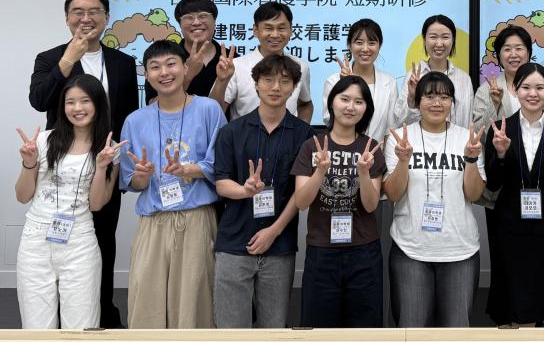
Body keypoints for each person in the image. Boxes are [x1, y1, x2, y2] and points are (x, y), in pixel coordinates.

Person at [28, 0, 138, 328]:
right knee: (57, 246)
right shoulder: (50, 58)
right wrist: (68, 59)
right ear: (67, 18)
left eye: (94, 12)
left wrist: (118, 167)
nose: (86, 18)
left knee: (102, 243)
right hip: (63, 166)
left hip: (104, 165)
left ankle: (101, 315)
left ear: (106, 18)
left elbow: (127, 118)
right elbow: (39, 100)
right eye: (78, 12)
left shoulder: (123, 63)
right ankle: (54, 318)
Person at [119, 40, 227, 328]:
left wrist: (189, 169)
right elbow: (132, 181)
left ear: (185, 67)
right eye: (155, 67)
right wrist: (142, 175)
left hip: (196, 219)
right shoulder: (134, 121)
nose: (164, 72)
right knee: (146, 302)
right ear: (146, 75)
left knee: (194, 302)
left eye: (171, 64)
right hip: (153, 222)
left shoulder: (208, 110)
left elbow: (223, 164)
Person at [16, 75, 125, 329]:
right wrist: (29, 163)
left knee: (81, 327)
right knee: (36, 328)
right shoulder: (44, 141)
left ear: (98, 103)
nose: (77, 108)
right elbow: (22, 196)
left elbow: (96, 204)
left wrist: (101, 167)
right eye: (70, 102)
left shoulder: (110, 148)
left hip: (80, 242)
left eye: (85, 101)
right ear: (62, 107)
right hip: (35, 240)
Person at [212, 54, 313, 328]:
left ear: (294, 88)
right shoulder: (232, 131)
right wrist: (244, 191)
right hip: (234, 243)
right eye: (268, 80)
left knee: (273, 328)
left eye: (284, 81)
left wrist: (274, 231)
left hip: (279, 246)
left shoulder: (304, 135)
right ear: (255, 84)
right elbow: (221, 183)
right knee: (231, 330)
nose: (276, 87)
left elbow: (300, 194)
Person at [383, 72, 486, 327]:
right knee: (411, 329)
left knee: (457, 330)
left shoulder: (467, 138)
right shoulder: (400, 138)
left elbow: (474, 194)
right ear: (417, 101)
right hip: (411, 249)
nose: (437, 103)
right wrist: (403, 161)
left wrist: (471, 159)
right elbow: (393, 194)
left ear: (453, 102)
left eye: (444, 97)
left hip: (459, 249)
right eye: (429, 96)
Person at [485, 63, 544, 327]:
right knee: (518, 311)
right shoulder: (500, 129)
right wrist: (501, 154)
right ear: (515, 90)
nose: (533, 94)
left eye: (540, 87)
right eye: (526, 87)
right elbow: (492, 184)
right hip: (512, 231)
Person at [291, 75, 386, 327]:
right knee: (319, 328)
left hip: (363, 252)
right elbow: (301, 202)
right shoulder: (312, 147)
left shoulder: (371, 149)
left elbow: (371, 205)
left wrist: (363, 172)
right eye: (344, 99)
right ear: (332, 102)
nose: (350, 107)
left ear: (366, 109)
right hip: (322, 250)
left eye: (359, 102)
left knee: (364, 329)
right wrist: (320, 171)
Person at [210, 1, 312, 121]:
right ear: (255, 30)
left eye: (281, 28)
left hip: (287, 132)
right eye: (268, 28)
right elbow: (213, 112)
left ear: (290, 30)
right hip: (245, 132)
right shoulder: (236, 66)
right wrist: (221, 81)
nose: (275, 34)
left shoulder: (300, 66)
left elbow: (305, 104)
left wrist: (303, 130)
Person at [145, 0, 236, 104]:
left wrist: (222, 81)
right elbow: (153, 106)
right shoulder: (162, 58)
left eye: (203, 16)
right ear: (179, 24)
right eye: (189, 17)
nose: (196, 22)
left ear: (214, 20)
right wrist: (187, 75)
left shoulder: (233, 60)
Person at [322, 18, 397, 142]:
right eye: (359, 42)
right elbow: (329, 120)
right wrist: (346, 85)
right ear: (349, 45)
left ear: (380, 46)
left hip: (376, 152)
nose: (365, 49)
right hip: (343, 150)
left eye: (372, 43)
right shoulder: (334, 81)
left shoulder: (389, 82)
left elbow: (391, 127)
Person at [472, 25, 544, 130]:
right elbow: (478, 133)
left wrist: (543, 102)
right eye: (507, 49)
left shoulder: (543, 87)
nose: (513, 54)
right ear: (499, 55)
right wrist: (494, 104)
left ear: (528, 52)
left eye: (519, 48)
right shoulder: (485, 90)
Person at [395, 14, 474, 129]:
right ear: (424, 39)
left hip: (457, 140)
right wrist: (412, 99)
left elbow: (467, 120)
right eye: (433, 37)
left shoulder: (464, 78)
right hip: (421, 140)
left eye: (445, 37)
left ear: (453, 40)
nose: (439, 43)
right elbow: (401, 123)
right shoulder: (414, 76)